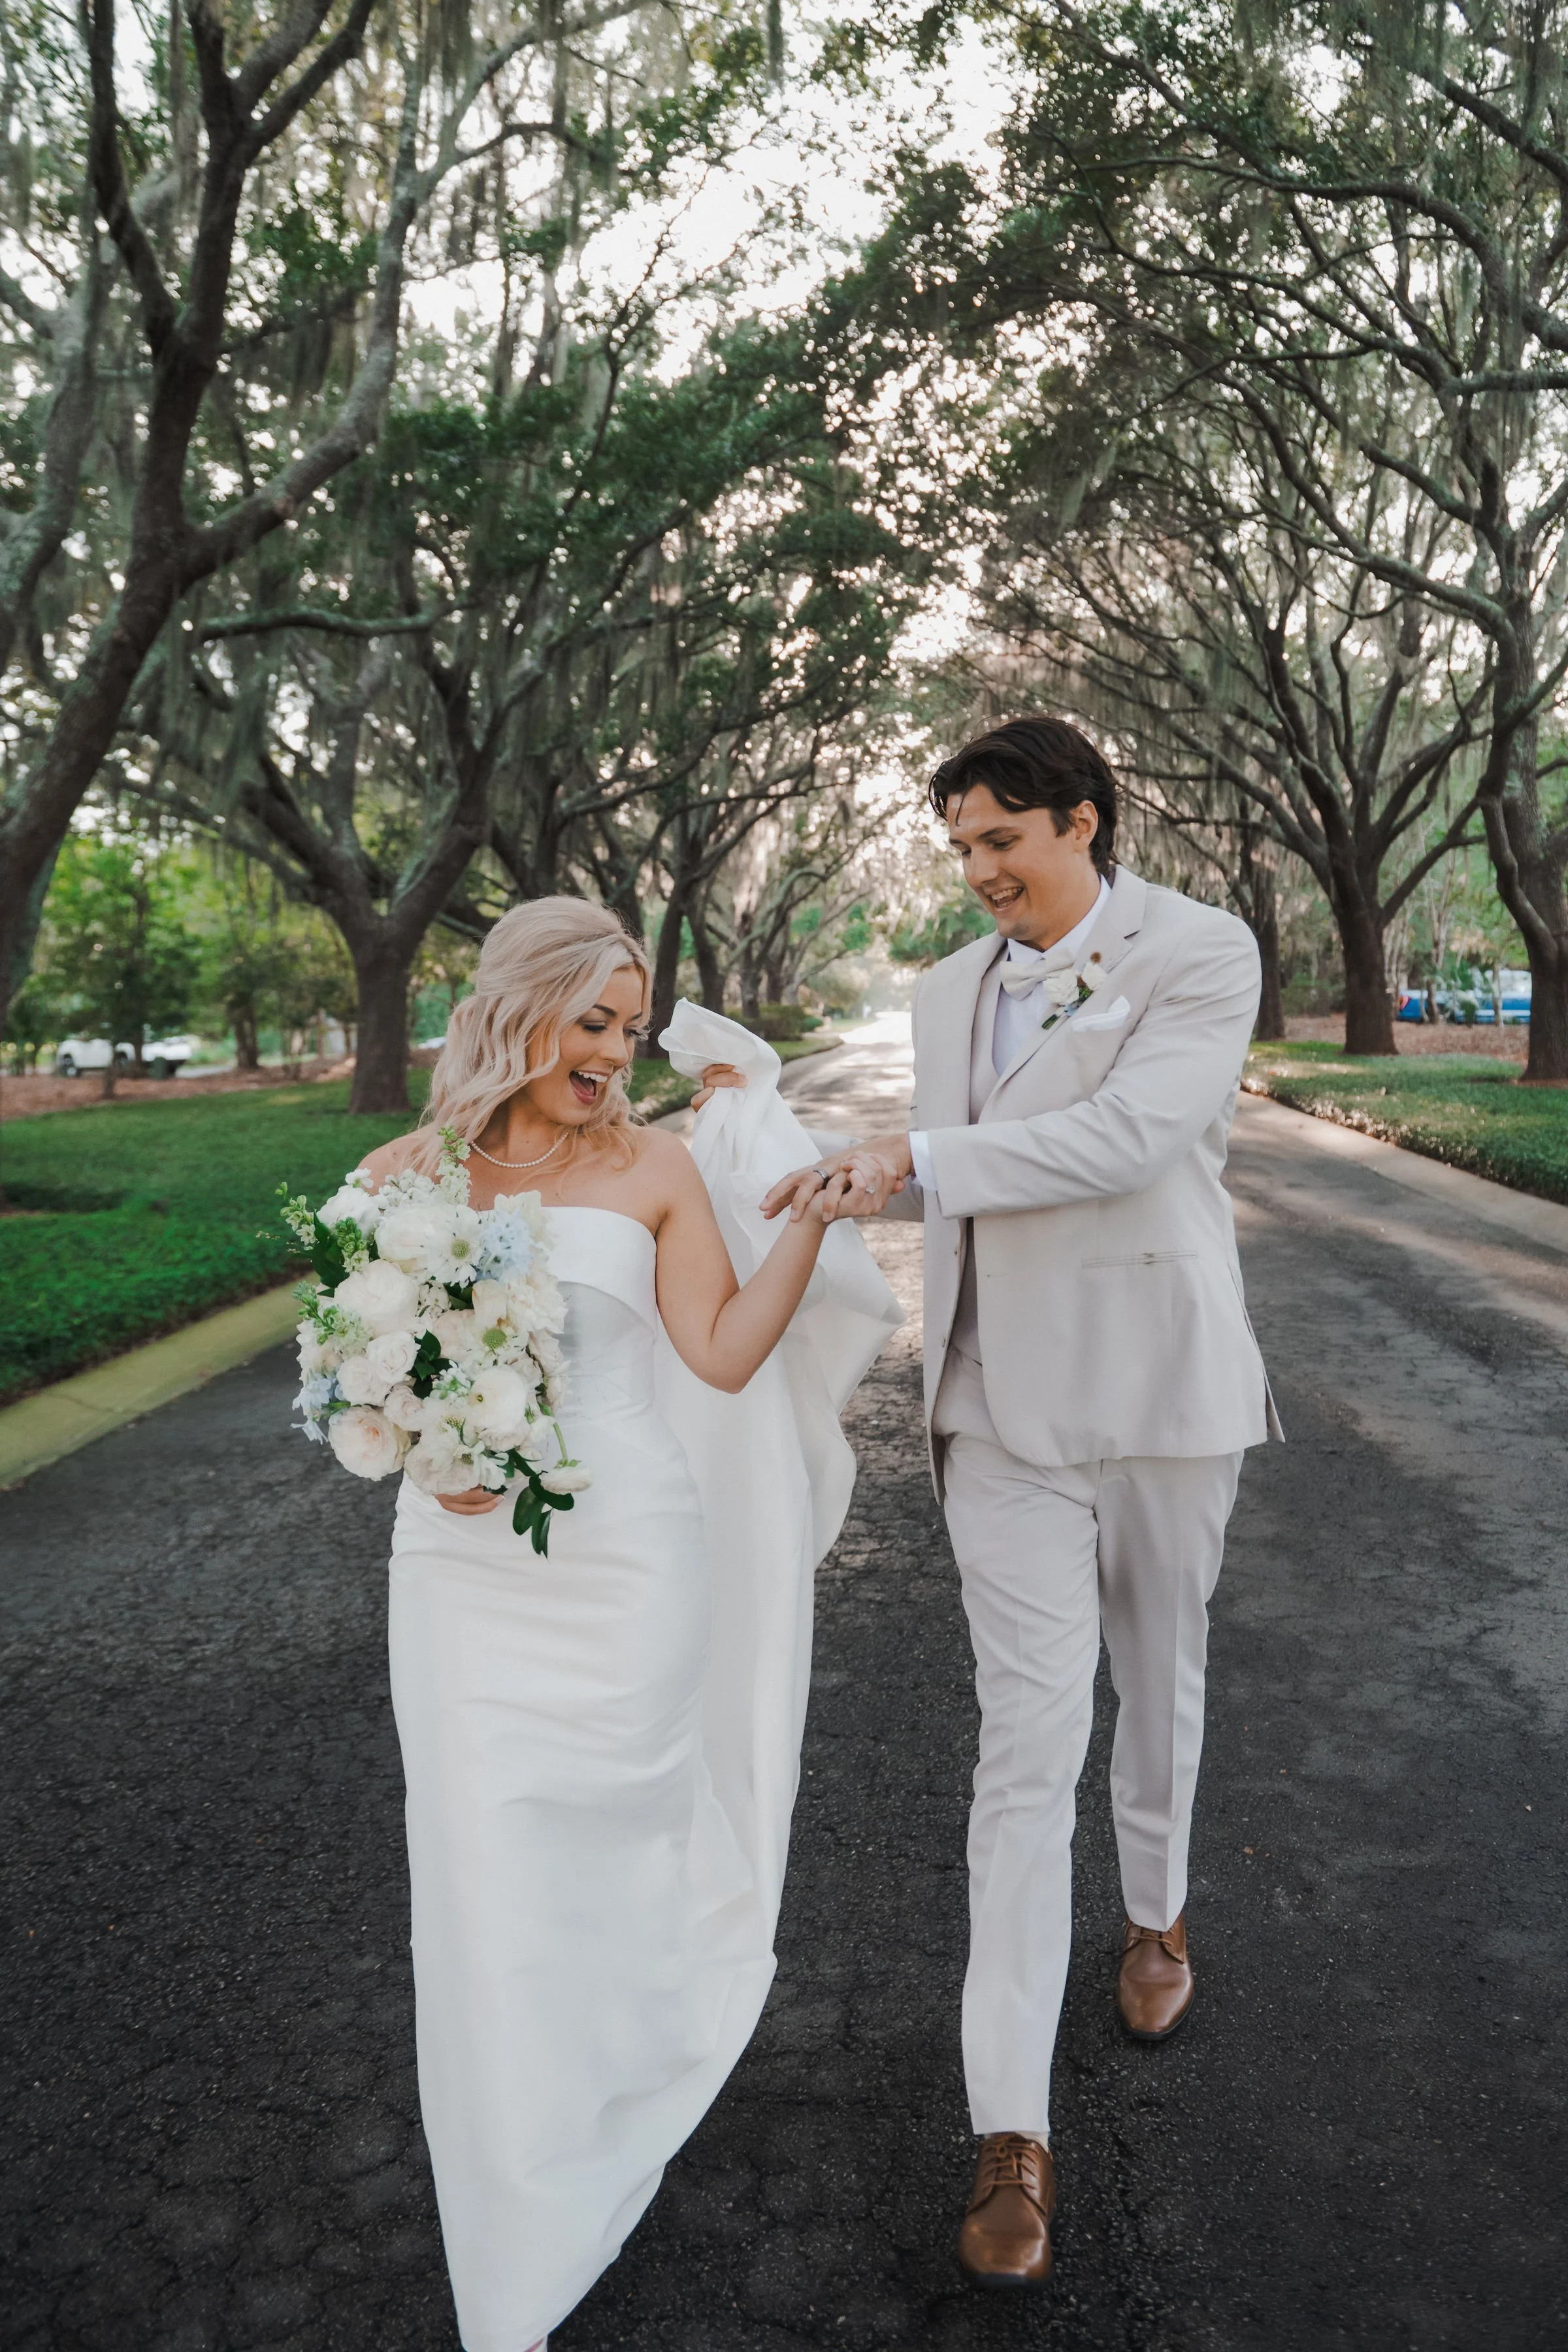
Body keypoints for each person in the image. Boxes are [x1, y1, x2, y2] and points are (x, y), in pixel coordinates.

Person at [740, 716, 1281, 2290]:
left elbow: (1135, 1135)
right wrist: (857, 1172)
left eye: (1003, 843)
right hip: (995, 1405)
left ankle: (1161, 1915)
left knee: (1160, 1673)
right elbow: (970, 1165)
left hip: (1167, 1385)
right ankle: (1010, 2132)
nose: (979, 874)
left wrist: (915, 1157)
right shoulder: (939, 988)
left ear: (1084, 825)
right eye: (962, 848)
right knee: (1022, 1752)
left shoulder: (1204, 948)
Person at [357, 898, 898, 2351]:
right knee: (477, 1863)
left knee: (617, 1831)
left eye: (631, 1024)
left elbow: (719, 1358)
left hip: (630, 1564)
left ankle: (627, 2059)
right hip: (460, 1577)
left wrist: (815, 1229)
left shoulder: (654, 1168)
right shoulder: (402, 1176)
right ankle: (518, 2192)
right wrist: (425, 1445)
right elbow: (357, 1385)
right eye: (591, 1018)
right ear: (519, 1010)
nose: (614, 1048)